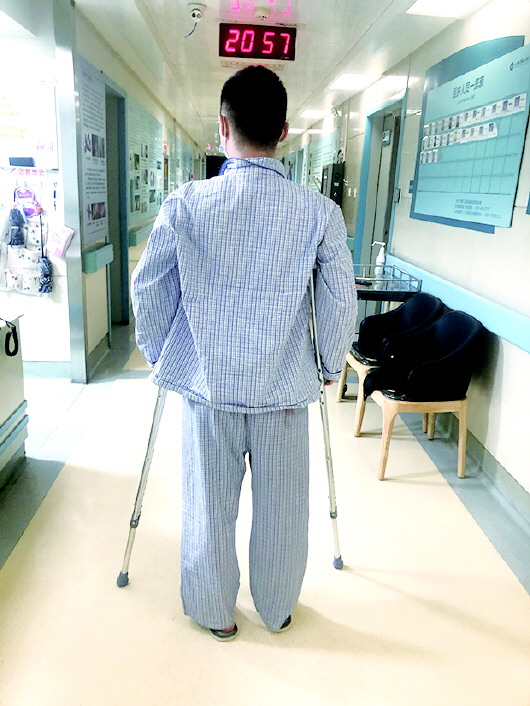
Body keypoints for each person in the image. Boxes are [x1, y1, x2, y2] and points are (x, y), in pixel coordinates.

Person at [131, 65, 357, 641]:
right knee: (283, 511)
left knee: (208, 507)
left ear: (222, 127)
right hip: (285, 391)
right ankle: (277, 609)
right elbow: (339, 299)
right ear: (283, 132)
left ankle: (215, 613)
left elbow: (149, 286)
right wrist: (330, 366)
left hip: (208, 387)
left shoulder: (185, 204)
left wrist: (162, 356)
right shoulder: (319, 213)